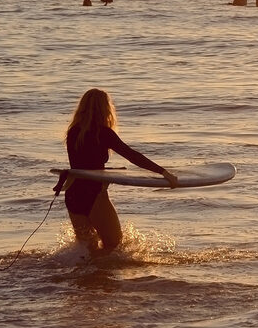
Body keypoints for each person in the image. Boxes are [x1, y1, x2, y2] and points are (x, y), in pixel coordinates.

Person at [55, 88, 177, 254]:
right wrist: (163, 172)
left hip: (73, 194)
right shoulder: (103, 133)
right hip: (94, 194)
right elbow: (132, 155)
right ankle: (101, 277)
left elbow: (82, 164)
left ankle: (83, 278)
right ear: (105, 108)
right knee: (114, 246)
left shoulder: (74, 131)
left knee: (86, 248)